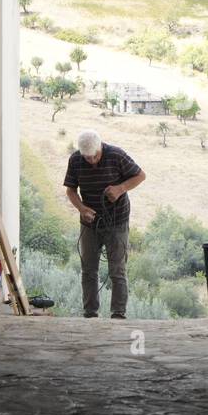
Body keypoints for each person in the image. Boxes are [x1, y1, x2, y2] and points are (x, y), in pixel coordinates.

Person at [63, 129, 146, 318]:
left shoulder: (116, 155)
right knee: (88, 270)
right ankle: (90, 313)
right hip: (90, 223)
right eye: (87, 158)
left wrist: (121, 188)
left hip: (117, 221)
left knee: (117, 270)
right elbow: (71, 191)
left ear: (100, 147)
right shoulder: (75, 160)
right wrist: (82, 209)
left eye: (95, 156)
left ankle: (118, 314)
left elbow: (140, 175)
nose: (91, 161)